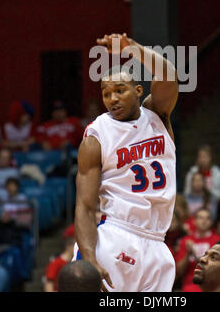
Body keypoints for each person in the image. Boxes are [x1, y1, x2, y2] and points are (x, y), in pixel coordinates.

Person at [73, 32, 178, 292]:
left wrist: (132, 48)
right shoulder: (96, 136)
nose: (113, 99)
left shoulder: (157, 115)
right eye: (106, 93)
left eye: (120, 90)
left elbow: (168, 76)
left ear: (138, 91)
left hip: (158, 244)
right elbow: (85, 206)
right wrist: (89, 259)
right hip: (117, 235)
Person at [175, 208, 220, 290]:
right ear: (194, 221)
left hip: (211, 285)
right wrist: (188, 253)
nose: (204, 221)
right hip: (189, 285)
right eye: (200, 218)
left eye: (207, 218)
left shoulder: (219, 241)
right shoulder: (185, 241)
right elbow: (178, 272)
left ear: (211, 222)